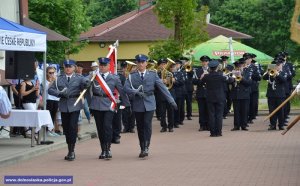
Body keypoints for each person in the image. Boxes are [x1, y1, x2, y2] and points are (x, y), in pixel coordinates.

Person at [124, 54, 177, 158]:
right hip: (138, 102)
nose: (140, 64)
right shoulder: (131, 75)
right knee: (140, 126)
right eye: (138, 62)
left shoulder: (153, 74)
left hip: (149, 102)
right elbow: (125, 88)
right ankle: (142, 147)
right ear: (137, 63)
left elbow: (162, 88)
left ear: (146, 63)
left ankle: (147, 146)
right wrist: (135, 92)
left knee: (147, 124)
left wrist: (171, 101)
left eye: (142, 62)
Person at [88, 57, 130, 159]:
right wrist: (90, 104)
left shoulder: (114, 78)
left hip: (109, 104)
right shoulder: (93, 76)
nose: (102, 67)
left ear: (108, 66)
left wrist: (127, 105)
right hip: (96, 104)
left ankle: (108, 149)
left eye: (104, 65)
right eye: (100, 65)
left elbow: (122, 91)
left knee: (107, 126)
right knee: (100, 128)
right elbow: (87, 90)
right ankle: (103, 150)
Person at [48, 59, 90, 161]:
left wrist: (87, 85)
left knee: (72, 126)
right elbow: (50, 89)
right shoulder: (59, 79)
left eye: (70, 66)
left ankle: (72, 151)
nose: (68, 68)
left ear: (74, 67)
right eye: (66, 66)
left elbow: (85, 84)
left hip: (75, 104)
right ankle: (69, 149)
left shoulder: (79, 78)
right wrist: (59, 93)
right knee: (66, 129)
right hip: (63, 105)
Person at [202, 60, 234, 137]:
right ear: (217, 68)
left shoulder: (207, 76)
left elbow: (202, 80)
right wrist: (230, 75)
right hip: (220, 97)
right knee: (219, 115)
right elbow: (231, 80)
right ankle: (218, 132)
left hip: (210, 97)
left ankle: (212, 133)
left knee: (211, 115)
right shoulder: (221, 76)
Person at [263, 58, 287, 130]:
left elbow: (284, 80)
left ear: (281, 65)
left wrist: (278, 74)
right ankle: (272, 125)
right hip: (271, 94)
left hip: (280, 95)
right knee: (271, 110)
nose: (277, 66)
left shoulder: (284, 72)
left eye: (278, 65)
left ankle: (281, 125)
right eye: (276, 65)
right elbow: (264, 78)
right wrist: (268, 71)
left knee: (281, 110)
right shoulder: (271, 72)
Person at [230, 58, 252, 131]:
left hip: (244, 94)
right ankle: (236, 125)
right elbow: (229, 82)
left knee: (244, 111)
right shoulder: (232, 73)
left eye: (240, 66)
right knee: (236, 111)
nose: (239, 68)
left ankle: (244, 125)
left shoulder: (247, 72)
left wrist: (241, 78)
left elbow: (249, 83)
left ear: (243, 66)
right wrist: (233, 78)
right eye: (237, 66)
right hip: (235, 94)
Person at [193, 55, 210, 131]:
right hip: (201, 93)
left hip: (209, 93)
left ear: (208, 62)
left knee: (209, 110)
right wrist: (201, 78)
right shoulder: (197, 71)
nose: (204, 63)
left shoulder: (211, 70)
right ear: (201, 62)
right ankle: (202, 125)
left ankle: (209, 125)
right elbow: (194, 81)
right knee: (202, 110)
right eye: (203, 61)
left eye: (206, 61)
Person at [45, 66, 60, 137]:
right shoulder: (45, 80)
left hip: (56, 99)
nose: (51, 74)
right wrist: (53, 81)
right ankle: (47, 130)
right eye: (50, 73)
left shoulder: (57, 79)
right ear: (47, 73)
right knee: (49, 115)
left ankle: (52, 129)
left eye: (53, 72)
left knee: (54, 115)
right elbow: (47, 88)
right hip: (49, 99)